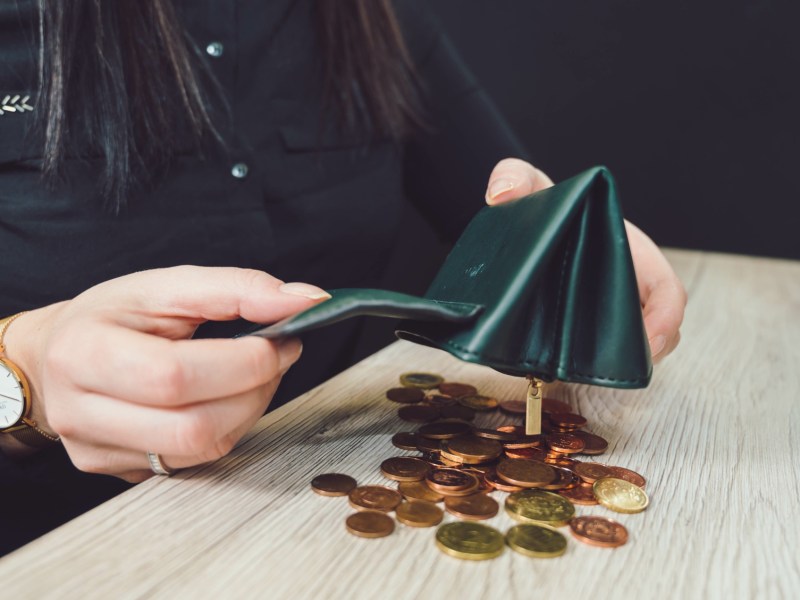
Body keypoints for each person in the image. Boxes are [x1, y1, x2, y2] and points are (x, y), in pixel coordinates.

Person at [0, 0, 686, 554]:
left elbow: (501, 208)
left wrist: (561, 242)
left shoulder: (377, 15)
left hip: (340, 530)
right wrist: (22, 377)